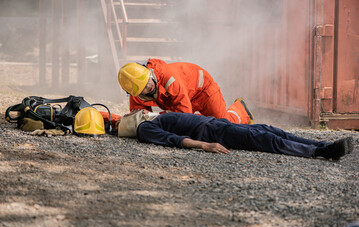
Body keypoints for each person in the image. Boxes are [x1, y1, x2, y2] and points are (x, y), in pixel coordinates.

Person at [117, 110, 354, 160]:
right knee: (266, 140)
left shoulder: (154, 118)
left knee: (272, 130)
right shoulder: (144, 128)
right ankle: (320, 152)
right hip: (213, 132)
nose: (131, 111)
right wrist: (205, 146)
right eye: (128, 115)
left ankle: (322, 143)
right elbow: (174, 140)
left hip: (218, 124)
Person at [117, 59, 254, 124]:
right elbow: (139, 119)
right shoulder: (137, 88)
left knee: (225, 124)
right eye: (144, 89)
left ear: (149, 74)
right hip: (183, 97)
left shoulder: (169, 77)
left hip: (203, 91)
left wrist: (153, 115)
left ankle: (240, 109)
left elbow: (185, 115)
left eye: (149, 83)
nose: (149, 88)